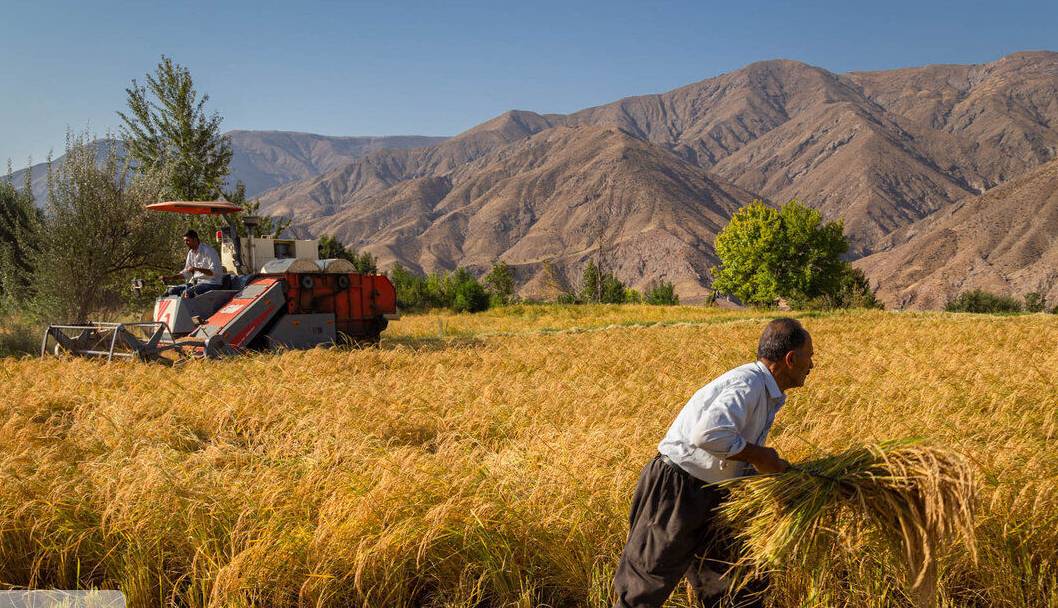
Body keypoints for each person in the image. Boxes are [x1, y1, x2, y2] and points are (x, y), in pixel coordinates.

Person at [612, 317, 814, 608]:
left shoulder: (765, 391)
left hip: (714, 494)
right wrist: (759, 456)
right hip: (678, 490)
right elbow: (708, 434)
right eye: (810, 357)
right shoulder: (749, 384)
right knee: (643, 587)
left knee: (738, 585)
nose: (812, 366)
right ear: (791, 359)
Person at [162, 229, 224, 298]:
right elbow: (186, 273)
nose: (186, 243)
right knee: (171, 291)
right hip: (198, 283)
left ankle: (191, 308)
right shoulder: (191, 253)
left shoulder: (208, 251)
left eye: (187, 240)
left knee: (187, 293)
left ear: (195, 239)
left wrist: (196, 269)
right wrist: (170, 278)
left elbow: (213, 272)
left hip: (212, 283)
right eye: (185, 241)